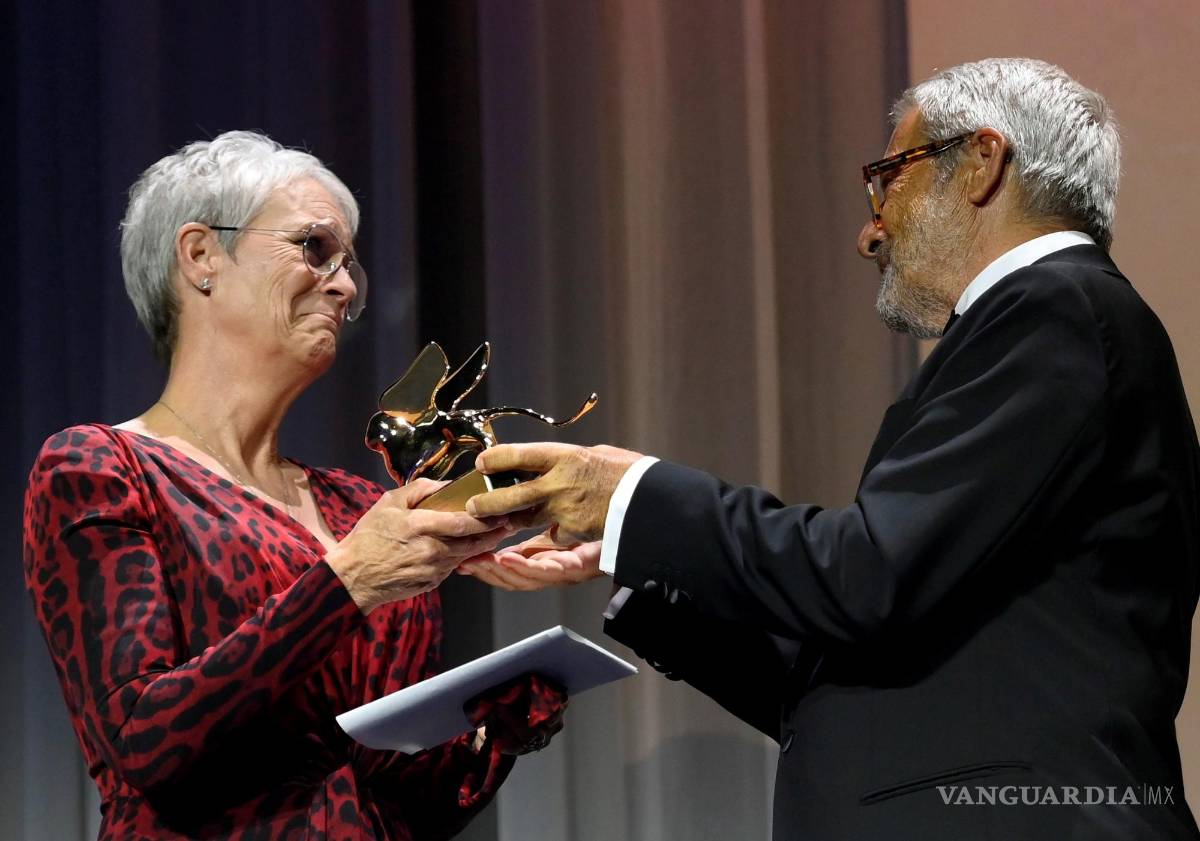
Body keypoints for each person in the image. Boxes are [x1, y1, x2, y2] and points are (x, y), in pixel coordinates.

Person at [461, 58, 1200, 839]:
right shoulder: (1060, 321)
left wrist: (628, 495)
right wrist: (633, 546)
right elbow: (869, 662)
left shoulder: (1054, 308)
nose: (869, 229)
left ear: (982, 163)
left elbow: (869, 573)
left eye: (889, 177)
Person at [22, 130, 565, 840]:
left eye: (350, 267)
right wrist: (348, 582)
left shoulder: (358, 509)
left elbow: (387, 799)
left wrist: (494, 729)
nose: (343, 286)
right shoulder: (101, 469)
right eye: (314, 249)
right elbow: (147, 741)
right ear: (201, 256)